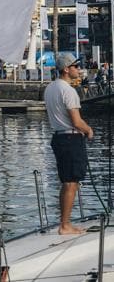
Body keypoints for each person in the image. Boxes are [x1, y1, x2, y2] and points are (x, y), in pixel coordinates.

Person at [44, 53, 94, 235]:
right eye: (75, 66)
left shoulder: (50, 88)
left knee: (66, 181)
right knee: (72, 183)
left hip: (58, 138)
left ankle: (64, 222)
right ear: (66, 69)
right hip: (71, 139)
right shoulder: (68, 91)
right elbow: (76, 121)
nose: (78, 69)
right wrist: (89, 130)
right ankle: (65, 226)